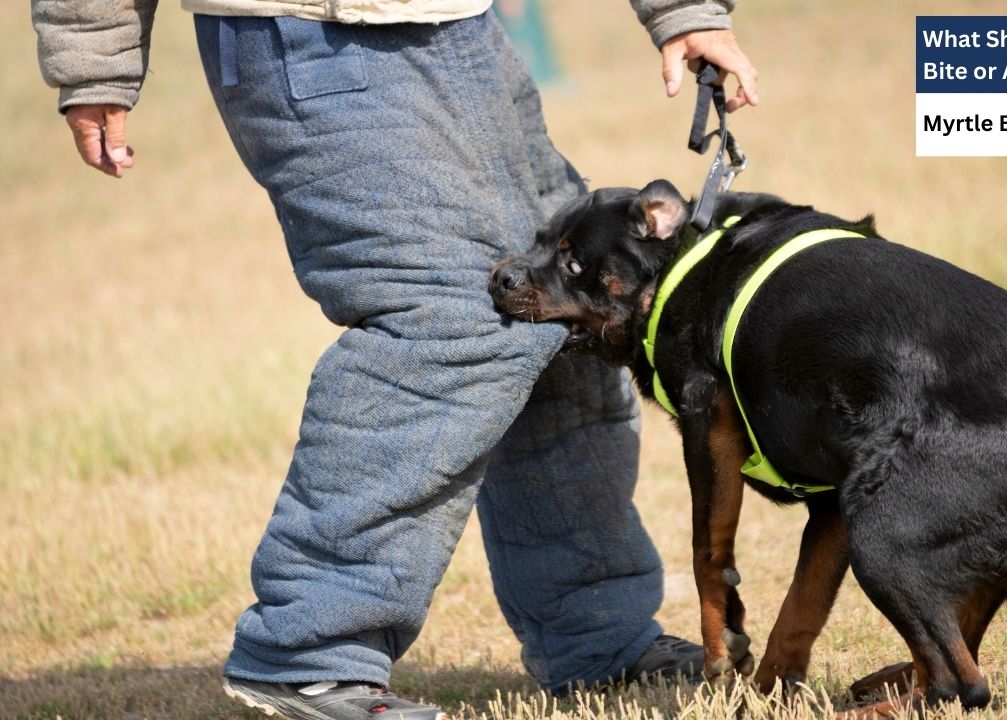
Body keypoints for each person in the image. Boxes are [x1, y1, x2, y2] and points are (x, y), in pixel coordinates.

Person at [32, 0, 759, 717]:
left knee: (566, 313)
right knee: (447, 319)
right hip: (305, 33)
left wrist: (682, 9)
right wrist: (94, 57)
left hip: (462, 32)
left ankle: (597, 642)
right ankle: (309, 652)